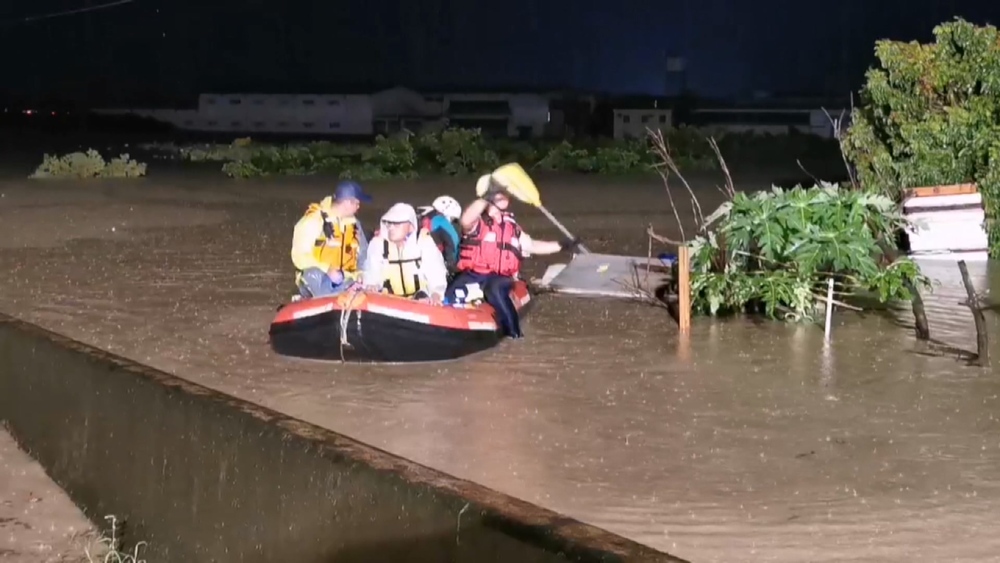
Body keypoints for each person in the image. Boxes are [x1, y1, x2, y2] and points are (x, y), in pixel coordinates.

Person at [446, 174, 580, 338]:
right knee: (450, 296)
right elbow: (465, 221)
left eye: (505, 193)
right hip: (472, 275)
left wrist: (561, 245)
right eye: (499, 192)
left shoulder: (511, 226)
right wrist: (486, 197)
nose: (504, 196)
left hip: (499, 278)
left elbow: (531, 246)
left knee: (495, 289)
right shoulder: (477, 222)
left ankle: (515, 335)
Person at [290, 180, 372, 299]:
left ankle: (347, 295)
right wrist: (327, 269)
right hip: (317, 277)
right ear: (347, 203)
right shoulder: (313, 221)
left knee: (361, 284)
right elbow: (299, 257)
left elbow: (363, 256)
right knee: (313, 274)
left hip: (345, 280)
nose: (359, 207)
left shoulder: (355, 225)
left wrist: (361, 274)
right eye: (357, 203)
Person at [362, 202, 449, 303]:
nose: (391, 228)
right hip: (388, 300)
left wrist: (436, 294)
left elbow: (436, 272)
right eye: (389, 223)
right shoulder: (378, 244)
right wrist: (372, 285)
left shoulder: (423, 242)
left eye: (397, 224)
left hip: (420, 300)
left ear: (411, 226)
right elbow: (372, 271)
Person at [416, 195, 463, 274]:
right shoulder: (441, 221)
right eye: (452, 219)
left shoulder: (421, 214)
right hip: (432, 265)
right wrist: (452, 266)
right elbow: (452, 242)